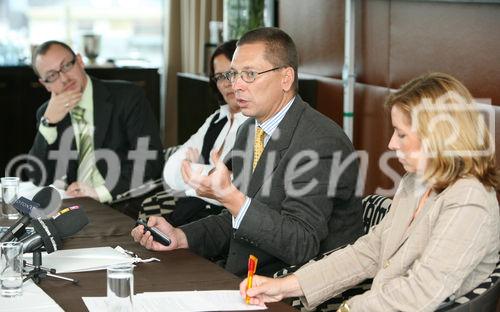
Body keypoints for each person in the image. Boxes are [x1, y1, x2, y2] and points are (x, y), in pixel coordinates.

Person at [240, 72, 500, 311]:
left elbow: (421, 292)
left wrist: (349, 309)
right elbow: (370, 251)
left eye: (401, 134)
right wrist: (284, 285)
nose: (391, 143)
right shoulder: (415, 182)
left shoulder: (469, 200)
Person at [132, 27, 363, 277]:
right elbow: (234, 218)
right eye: (234, 74)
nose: (236, 86)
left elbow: (301, 244)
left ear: (286, 78)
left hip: (293, 287)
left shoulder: (320, 141)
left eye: (250, 74)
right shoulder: (249, 130)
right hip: (243, 273)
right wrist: (180, 235)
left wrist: (230, 197)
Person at [28, 40, 164, 205]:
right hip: (75, 205)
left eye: (66, 66)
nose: (63, 78)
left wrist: (100, 193)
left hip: (124, 202)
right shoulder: (47, 113)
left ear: (79, 61)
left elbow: (150, 160)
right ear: (45, 84)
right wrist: (48, 124)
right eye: (52, 76)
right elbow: (38, 177)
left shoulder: (128, 97)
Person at [159, 40, 249, 225]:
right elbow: (170, 171)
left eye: (231, 74)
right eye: (219, 77)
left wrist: (193, 169)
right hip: (194, 213)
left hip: (227, 222)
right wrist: (208, 179)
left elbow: (238, 188)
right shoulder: (216, 119)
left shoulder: (257, 123)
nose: (226, 83)